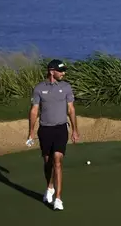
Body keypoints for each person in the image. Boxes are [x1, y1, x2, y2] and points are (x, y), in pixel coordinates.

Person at [27, 59, 79, 211]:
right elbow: (34, 111)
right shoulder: (39, 89)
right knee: (48, 162)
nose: (63, 73)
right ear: (51, 71)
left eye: (64, 71)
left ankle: (58, 199)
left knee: (58, 160)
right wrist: (30, 133)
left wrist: (75, 130)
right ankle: (49, 186)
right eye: (60, 70)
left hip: (61, 129)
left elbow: (71, 110)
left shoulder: (66, 87)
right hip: (45, 130)